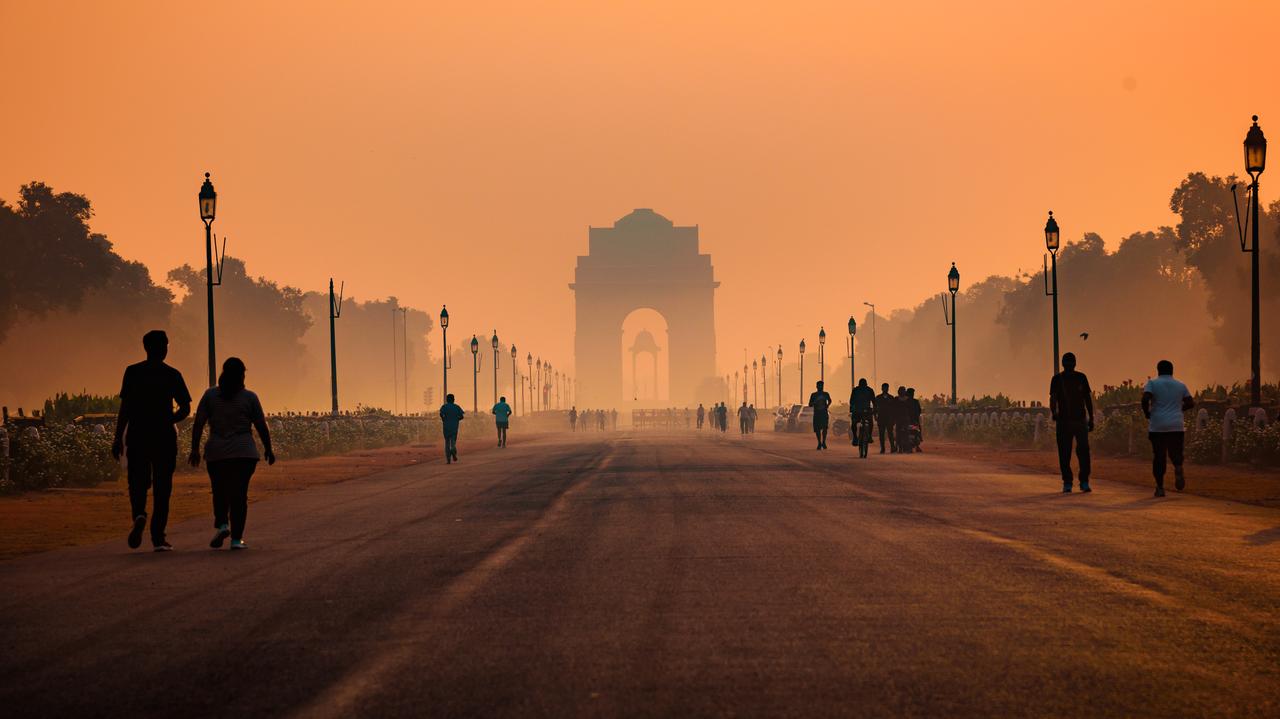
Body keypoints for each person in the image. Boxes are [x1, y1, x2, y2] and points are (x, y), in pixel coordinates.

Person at [111, 330, 192, 551]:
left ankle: (139, 514)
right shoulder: (172, 374)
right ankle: (158, 537)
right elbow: (185, 407)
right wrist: (170, 419)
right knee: (162, 487)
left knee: (137, 482)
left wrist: (118, 438)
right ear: (164, 348)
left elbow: (125, 409)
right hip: (163, 437)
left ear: (146, 348)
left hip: (137, 435)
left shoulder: (133, 372)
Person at [189, 357, 274, 551]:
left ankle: (222, 524)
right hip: (244, 452)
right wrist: (268, 448)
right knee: (239, 495)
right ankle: (237, 539)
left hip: (217, 451)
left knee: (219, 490)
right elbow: (261, 425)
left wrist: (194, 448)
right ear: (241, 375)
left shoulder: (210, 396)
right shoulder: (249, 397)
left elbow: (199, 423)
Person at [1142, 360, 1194, 497]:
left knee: (1159, 456)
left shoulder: (1152, 383)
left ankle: (1160, 487)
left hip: (1158, 425)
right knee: (1176, 452)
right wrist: (1178, 409)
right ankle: (1178, 466)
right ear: (1172, 370)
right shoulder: (1180, 385)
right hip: (1176, 425)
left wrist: (1147, 413)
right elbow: (1190, 402)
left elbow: (1145, 399)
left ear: (1158, 370)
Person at [1049, 352, 1095, 493]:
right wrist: (1091, 418)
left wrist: (1055, 413)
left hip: (1064, 421)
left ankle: (1068, 482)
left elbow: (1053, 399)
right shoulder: (1081, 377)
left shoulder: (1057, 379)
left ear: (1063, 364)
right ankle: (1084, 482)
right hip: (1079, 420)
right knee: (1083, 451)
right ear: (1075, 363)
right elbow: (1087, 399)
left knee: (1065, 452)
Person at [849, 378, 875, 458]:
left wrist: (874, 409)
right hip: (859, 411)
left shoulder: (858, 390)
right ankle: (856, 437)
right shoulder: (865, 390)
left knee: (868, 422)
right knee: (856, 423)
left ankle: (866, 436)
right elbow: (852, 401)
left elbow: (874, 401)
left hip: (862, 411)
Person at [439, 393, 465, 463]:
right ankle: (453, 450)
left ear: (447, 400)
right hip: (454, 427)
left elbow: (441, 414)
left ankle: (448, 459)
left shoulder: (444, 407)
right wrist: (457, 419)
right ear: (453, 400)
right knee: (453, 442)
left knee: (447, 442)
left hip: (446, 427)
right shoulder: (457, 407)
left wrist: (443, 419)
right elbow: (462, 416)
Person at [808, 380, 833, 450]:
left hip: (824, 413)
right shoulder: (813, 395)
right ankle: (819, 442)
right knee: (817, 429)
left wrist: (827, 405)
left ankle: (824, 442)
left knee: (825, 428)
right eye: (819, 386)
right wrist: (814, 402)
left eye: (821, 386)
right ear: (816, 386)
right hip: (817, 414)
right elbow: (809, 404)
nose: (820, 387)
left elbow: (830, 400)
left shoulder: (826, 394)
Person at [873, 382, 897, 454]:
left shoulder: (891, 398)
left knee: (890, 434)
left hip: (889, 418)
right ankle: (882, 448)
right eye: (884, 388)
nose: (885, 389)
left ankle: (892, 447)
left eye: (886, 388)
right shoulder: (878, 398)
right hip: (881, 418)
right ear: (882, 388)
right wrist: (875, 416)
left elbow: (894, 409)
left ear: (888, 388)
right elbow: (875, 408)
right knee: (881, 434)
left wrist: (894, 418)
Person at [894, 386, 913, 453]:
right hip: (900, 418)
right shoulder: (896, 399)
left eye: (903, 390)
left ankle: (906, 447)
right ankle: (898, 446)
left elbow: (910, 409)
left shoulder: (907, 399)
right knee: (899, 433)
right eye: (901, 390)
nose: (902, 392)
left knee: (906, 433)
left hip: (905, 418)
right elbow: (894, 408)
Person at [906, 388, 923, 452]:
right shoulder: (906, 401)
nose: (912, 394)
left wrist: (916, 417)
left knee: (917, 432)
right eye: (911, 393)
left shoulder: (915, 401)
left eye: (912, 393)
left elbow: (919, 410)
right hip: (907, 420)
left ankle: (917, 446)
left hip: (914, 420)